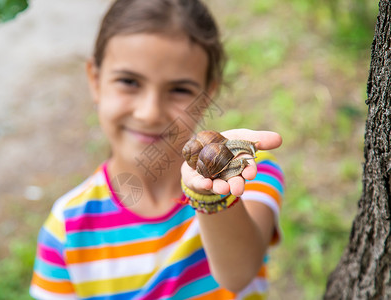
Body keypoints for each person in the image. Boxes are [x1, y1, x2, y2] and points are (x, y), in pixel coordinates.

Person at [29, 0, 284, 299]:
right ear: (95, 81)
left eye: (179, 90)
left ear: (206, 94)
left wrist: (210, 194)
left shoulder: (249, 172)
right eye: (129, 82)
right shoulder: (67, 230)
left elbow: (239, 274)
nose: (150, 113)